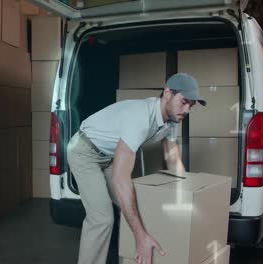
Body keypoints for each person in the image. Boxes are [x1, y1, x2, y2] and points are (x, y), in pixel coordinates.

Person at [67, 73, 206, 264]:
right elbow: (120, 179)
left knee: (136, 205)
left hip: (109, 156)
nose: (187, 109)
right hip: (84, 151)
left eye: (191, 105)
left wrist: (186, 197)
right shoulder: (141, 117)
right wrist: (140, 237)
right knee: (102, 218)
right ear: (167, 93)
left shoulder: (172, 120)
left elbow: (173, 161)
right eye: (184, 102)